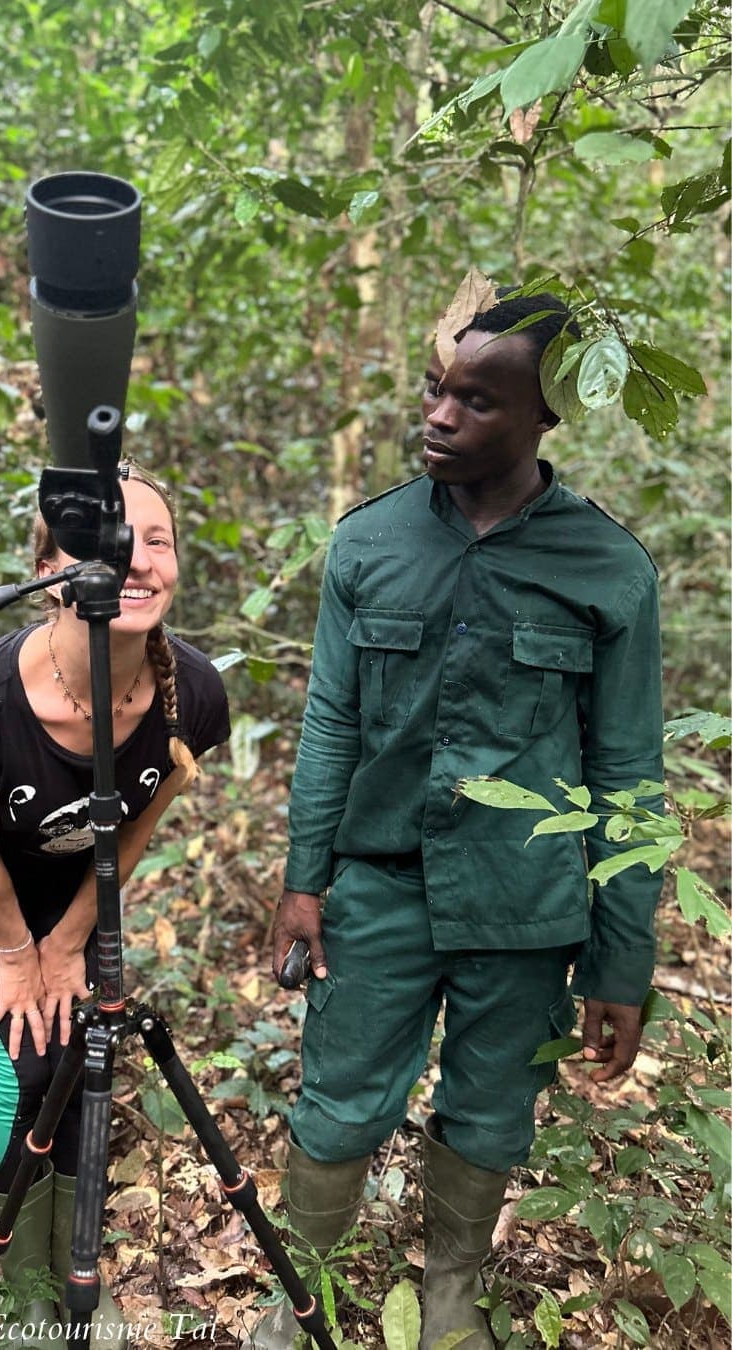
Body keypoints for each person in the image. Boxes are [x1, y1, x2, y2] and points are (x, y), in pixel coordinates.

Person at [251, 291, 664, 1350]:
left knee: (490, 1114)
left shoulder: (608, 569)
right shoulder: (368, 543)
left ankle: (450, 1301)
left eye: (478, 400)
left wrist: (622, 959)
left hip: (526, 909)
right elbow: (331, 723)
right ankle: (298, 1300)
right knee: (339, 1105)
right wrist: (305, 882)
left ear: (544, 419)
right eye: (437, 387)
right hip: (380, 891)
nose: (439, 414)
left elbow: (626, 771)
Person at [0, 465, 230, 1349]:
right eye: (103, 538)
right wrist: (22, 955)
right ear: (49, 568)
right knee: (22, 1057)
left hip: (76, 877)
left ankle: (75, 1257)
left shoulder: (190, 695)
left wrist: (74, 935)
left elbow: (137, 826)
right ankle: (25, 1289)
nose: (133, 558)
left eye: (154, 539)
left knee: (85, 1052)